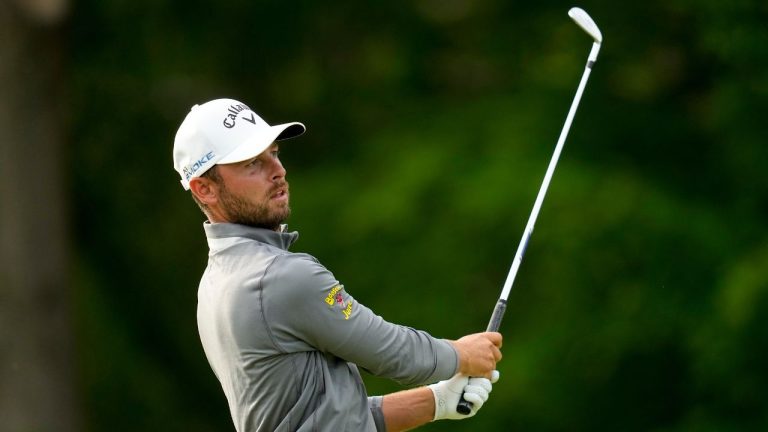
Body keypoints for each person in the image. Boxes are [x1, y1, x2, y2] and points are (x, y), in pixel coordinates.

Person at [173, 98, 503, 432]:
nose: (278, 171)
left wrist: (437, 401)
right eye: (252, 164)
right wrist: (461, 354)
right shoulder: (279, 277)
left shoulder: (216, 283)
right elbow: (392, 353)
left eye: (273, 153)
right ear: (205, 189)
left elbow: (332, 417)